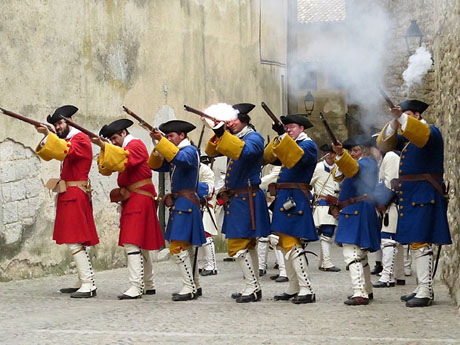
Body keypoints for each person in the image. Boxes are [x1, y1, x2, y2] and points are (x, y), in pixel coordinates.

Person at [376, 100, 451, 307]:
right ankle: (421, 287)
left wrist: (401, 118)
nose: (403, 119)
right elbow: (383, 144)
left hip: (424, 194)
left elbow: (421, 135)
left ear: (417, 116)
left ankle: (426, 290)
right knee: (415, 242)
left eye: (407, 114)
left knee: (421, 242)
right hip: (412, 195)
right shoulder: (407, 138)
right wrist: (394, 122)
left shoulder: (430, 132)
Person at [205, 103, 270, 303]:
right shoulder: (235, 138)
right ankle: (253, 287)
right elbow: (212, 150)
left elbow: (244, 152)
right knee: (248, 246)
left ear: (244, 121)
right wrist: (218, 132)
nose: (230, 124)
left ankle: (252, 287)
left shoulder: (254, 138)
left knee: (237, 247)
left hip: (246, 197)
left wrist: (223, 135)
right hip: (238, 198)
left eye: (233, 121)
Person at [92, 119, 164, 300]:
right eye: (111, 140)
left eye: (115, 138)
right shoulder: (123, 148)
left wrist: (104, 146)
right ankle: (148, 284)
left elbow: (123, 161)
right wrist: (104, 147)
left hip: (139, 197)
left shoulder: (136, 145)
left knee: (132, 242)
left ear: (124, 133)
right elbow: (106, 169)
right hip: (134, 197)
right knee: (141, 242)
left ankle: (136, 285)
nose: (114, 142)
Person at [35, 105, 98, 298]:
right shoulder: (69, 139)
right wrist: (48, 136)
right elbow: (48, 154)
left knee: (75, 240)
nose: (57, 127)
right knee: (75, 240)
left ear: (70, 121)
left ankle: (88, 283)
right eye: (55, 124)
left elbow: (64, 151)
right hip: (69, 193)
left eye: (60, 123)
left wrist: (49, 134)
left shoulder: (80, 139)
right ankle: (83, 280)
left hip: (75, 193)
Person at [149, 120, 206, 301]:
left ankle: (188, 287)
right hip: (181, 203)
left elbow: (179, 159)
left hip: (186, 203)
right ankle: (195, 284)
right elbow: (156, 165)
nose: (168, 139)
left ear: (182, 135)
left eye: (171, 136)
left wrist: (162, 142)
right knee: (186, 247)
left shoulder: (189, 151)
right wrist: (158, 145)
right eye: (167, 136)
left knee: (177, 247)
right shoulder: (175, 152)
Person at [264, 114, 318, 304]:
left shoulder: (308, 146)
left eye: (292, 127)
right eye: (286, 127)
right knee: (285, 243)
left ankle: (306, 288)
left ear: (302, 129)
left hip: (296, 198)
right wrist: (280, 137)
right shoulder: (290, 143)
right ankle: (294, 287)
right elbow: (270, 156)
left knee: (293, 244)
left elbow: (294, 157)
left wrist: (283, 137)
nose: (289, 130)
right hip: (285, 197)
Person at [331, 135, 381, 305]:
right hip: (356, 210)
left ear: (364, 150)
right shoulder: (365, 163)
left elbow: (351, 168)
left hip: (357, 210)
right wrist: (340, 156)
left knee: (351, 252)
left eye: (355, 150)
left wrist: (340, 155)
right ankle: (366, 289)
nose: (352, 154)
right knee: (361, 254)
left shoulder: (365, 163)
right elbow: (341, 172)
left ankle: (360, 293)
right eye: (350, 151)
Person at [370, 136, 405, 288]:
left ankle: (387, 277)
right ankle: (399, 274)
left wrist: (381, 202)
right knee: (395, 241)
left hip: (391, 204)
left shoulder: (390, 156)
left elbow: (391, 184)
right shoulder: (388, 157)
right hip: (391, 204)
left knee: (388, 240)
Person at [310, 144, 341, 272]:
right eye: (329, 153)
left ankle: (323, 262)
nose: (331, 156)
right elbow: (309, 183)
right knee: (326, 233)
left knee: (327, 233)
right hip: (322, 203)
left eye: (333, 153)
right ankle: (326, 263)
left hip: (335, 204)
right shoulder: (318, 168)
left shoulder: (339, 168)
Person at [197, 155, 219, 276]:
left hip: (205, 205)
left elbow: (208, 189)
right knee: (197, 236)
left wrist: (193, 185)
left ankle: (211, 265)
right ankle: (200, 264)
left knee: (206, 236)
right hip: (194, 205)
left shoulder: (205, 170)